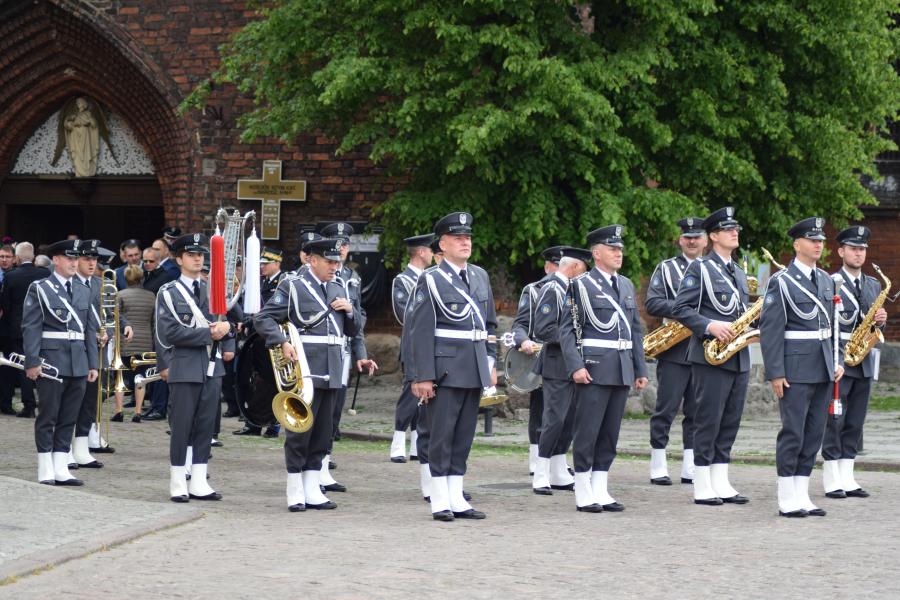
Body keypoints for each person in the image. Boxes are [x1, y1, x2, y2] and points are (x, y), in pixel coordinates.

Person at [254, 237, 361, 512]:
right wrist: (281, 340)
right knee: (300, 430)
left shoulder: (339, 287)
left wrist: (350, 312)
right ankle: (294, 488)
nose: (335, 266)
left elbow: (353, 329)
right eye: (329, 261)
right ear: (312, 260)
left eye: (337, 261)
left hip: (333, 368)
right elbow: (264, 318)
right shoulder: (293, 285)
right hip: (305, 370)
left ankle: (313, 487)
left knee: (325, 431)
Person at [407, 212, 498, 521]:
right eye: (458, 238)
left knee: (463, 434)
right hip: (444, 368)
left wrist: (490, 361)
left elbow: (489, 326)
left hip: (473, 366)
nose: (465, 242)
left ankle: (457, 495)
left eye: (468, 237)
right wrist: (421, 376)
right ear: (442, 245)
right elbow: (419, 331)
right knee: (441, 433)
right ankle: (440, 498)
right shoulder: (430, 279)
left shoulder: (480, 276)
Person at [559, 226, 648, 513]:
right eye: (612, 249)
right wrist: (576, 366)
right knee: (588, 429)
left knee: (610, 432)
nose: (618, 253)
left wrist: (639, 367)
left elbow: (634, 330)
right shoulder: (580, 285)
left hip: (621, 366)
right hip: (594, 367)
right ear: (597, 253)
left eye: (620, 249)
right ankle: (583, 487)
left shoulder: (625, 285)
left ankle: (601, 485)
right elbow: (568, 330)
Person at [760, 217, 843, 518]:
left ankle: (802, 493)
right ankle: (786, 495)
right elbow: (771, 331)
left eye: (820, 240)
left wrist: (839, 360)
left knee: (813, 434)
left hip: (822, 367)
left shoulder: (826, 280)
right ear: (797, 245)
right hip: (794, 370)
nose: (818, 244)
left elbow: (834, 327)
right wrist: (776, 372)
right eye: (812, 240)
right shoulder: (781, 282)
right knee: (793, 431)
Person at [672, 207, 751, 506]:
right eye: (728, 229)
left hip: (738, 354)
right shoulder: (700, 269)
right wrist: (708, 325)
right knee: (708, 418)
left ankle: (721, 479)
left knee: (730, 420)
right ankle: (702, 481)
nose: (735, 233)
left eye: (736, 229)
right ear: (714, 236)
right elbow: (681, 308)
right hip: (710, 355)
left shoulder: (739, 271)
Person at [155, 233, 234, 502]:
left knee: (205, 426)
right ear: (178, 259)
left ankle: (199, 480)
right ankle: (178, 480)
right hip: (185, 366)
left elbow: (226, 323)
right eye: (191, 254)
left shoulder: (212, 290)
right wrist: (208, 335)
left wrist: (228, 330)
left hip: (212, 367)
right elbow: (169, 333)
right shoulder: (169, 292)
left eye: (201, 254)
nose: (198, 258)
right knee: (181, 425)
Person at [22, 239, 99, 485]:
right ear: (56, 260)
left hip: (78, 360)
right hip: (51, 359)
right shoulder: (40, 287)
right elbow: (31, 327)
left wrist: (93, 363)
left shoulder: (84, 289)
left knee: (69, 416)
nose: (74, 263)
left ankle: (61, 465)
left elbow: (90, 330)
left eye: (76, 259)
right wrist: (32, 361)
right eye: (69, 258)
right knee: (49, 415)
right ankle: (45, 466)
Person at [822, 226, 887, 499]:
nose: (858, 253)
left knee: (856, 420)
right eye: (853, 249)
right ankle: (831, 477)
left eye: (862, 249)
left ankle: (848, 476)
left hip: (864, 359)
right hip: (840, 358)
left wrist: (880, 319)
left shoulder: (873, 284)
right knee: (834, 418)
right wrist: (833, 360)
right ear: (841, 252)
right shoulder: (830, 282)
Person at [644, 217, 707, 485]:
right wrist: (686, 312)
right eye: (687, 237)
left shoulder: (714, 268)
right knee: (666, 408)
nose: (692, 241)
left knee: (697, 410)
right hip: (675, 347)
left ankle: (689, 467)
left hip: (705, 346)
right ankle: (658, 463)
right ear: (680, 240)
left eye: (697, 236)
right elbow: (653, 303)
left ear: (706, 240)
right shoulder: (666, 268)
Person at [530, 247, 591, 495]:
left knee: (569, 420)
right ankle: (541, 471)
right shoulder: (552, 288)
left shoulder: (571, 289)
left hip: (573, 361)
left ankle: (557, 469)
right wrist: (575, 339)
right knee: (554, 418)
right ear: (575, 267)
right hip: (556, 363)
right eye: (584, 269)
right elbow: (542, 329)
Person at [510, 245, 563, 475]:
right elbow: (520, 324)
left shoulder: (576, 288)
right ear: (547, 266)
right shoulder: (533, 290)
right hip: (540, 355)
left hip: (567, 357)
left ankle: (559, 461)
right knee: (541, 409)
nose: (560, 268)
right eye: (556, 264)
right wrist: (523, 341)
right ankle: (536, 458)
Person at [388, 233, 434, 463]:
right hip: (412, 344)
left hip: (429, 344)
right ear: (422, 252)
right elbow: (403, 313)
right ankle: (397, 440)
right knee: (410, 391)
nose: (434, 255)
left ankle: (416, 442)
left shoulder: (431, 278)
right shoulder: (403, 281)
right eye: (431, 250)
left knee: (425, 396)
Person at [233, 247, 285, 438]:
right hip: (256, 338)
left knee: (274, 382)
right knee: (256, 381)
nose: (262, 267)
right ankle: (254, 421)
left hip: (272, 339)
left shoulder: (283, 283)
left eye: (266, 263)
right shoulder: (261, 283)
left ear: (277, 263)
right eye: (261, 263)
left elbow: (270, 312)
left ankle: (274, 423)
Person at [0, 242, 50, 417]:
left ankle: (29, 405)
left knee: (23, 364)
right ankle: (45, 403)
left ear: (18, 258)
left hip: (17, 327)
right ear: (34, 256)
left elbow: (5, 304)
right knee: (43, 363)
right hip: (42, 326)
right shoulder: (45, 273)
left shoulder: (12, 276)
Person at [117, 265, 156, 422]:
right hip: (145, 341)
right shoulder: (151, 296)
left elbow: (116, 318)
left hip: (125, 341)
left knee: (119, 377)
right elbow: (154, 322)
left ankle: (119, 411)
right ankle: (138, 412)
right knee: (141, 377)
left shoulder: (120, 295)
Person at [0, 244, 15, 413]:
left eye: (7, 257)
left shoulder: (14, 275)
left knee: (7, 367)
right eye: (1, 257)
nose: (4, 260)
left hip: (8, 328)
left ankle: (6, 402)